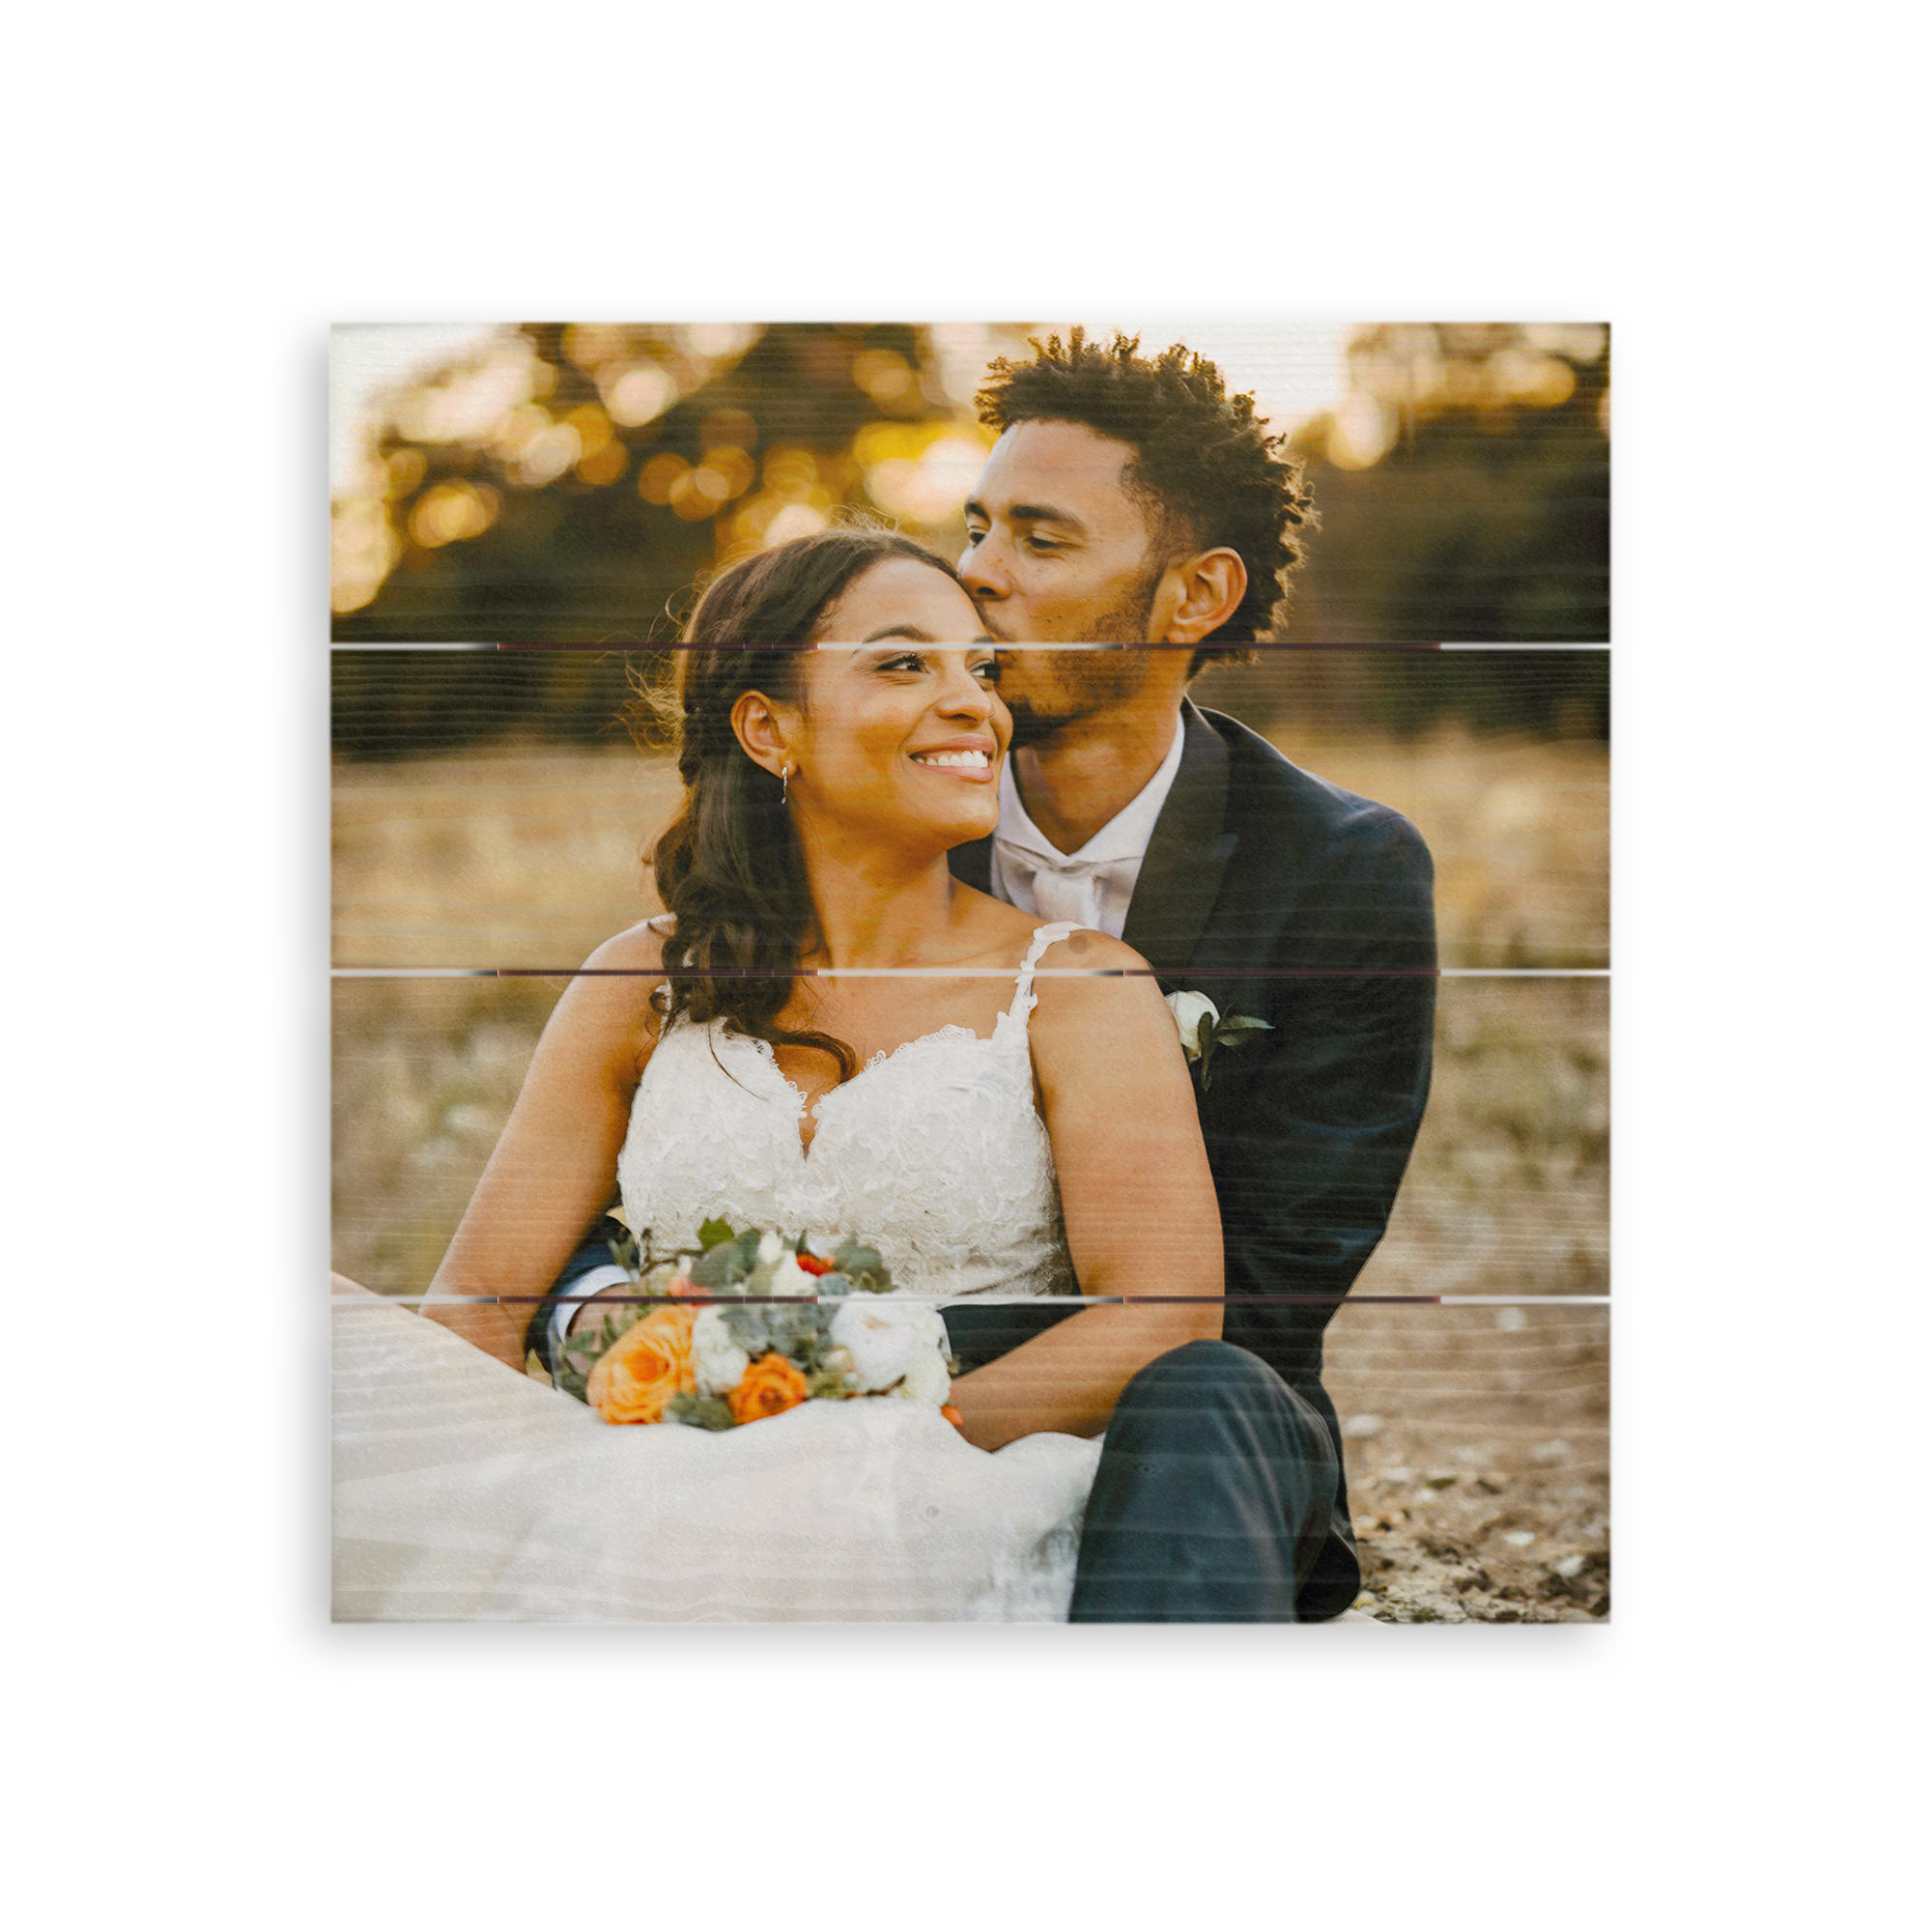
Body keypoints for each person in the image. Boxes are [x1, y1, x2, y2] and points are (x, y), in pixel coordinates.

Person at [331, 526, 1345, 1625]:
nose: (975, 704)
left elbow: (1158, 1312)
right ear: (769, 727)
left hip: (974, 1478)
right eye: (904, 662)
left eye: (981, 667)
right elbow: (481, 1300)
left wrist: (876, 1439)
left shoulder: (1079, 986)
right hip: (663, 1481)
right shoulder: (640, 976)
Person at [940, 329, 1439, 1615]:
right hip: (849, 1395)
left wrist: (898, 1379)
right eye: (977, 527)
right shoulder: (853, 820)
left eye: (1042, 542)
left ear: (1195, 595)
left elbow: (1268, 1297)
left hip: (1189, 1422)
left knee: (1200, 1384)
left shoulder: (1340, 871)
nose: (974, 576)